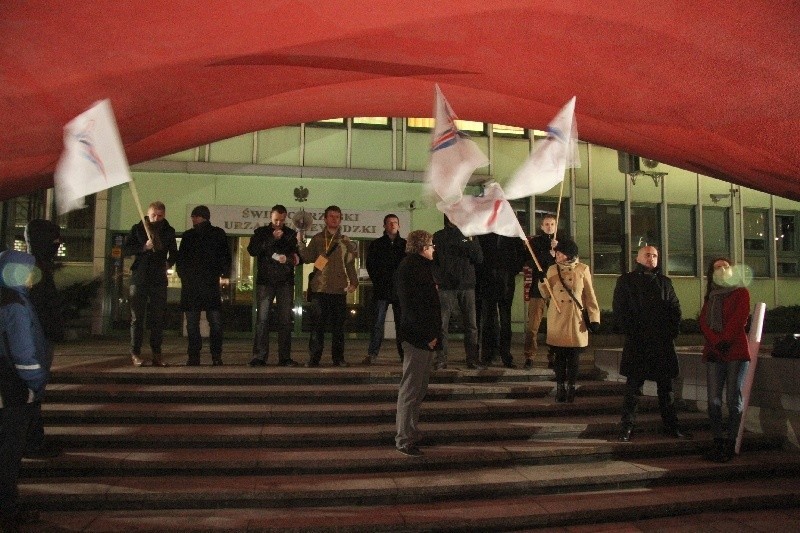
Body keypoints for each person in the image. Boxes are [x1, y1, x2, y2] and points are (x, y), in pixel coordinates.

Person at [613, 245, 688, 441]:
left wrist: (671, 332)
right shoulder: (626, 281)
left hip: (662, 343)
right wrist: (632, 332)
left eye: (655, 255)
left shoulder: (665, 282)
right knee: (633, 389)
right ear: (638, 258)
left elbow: (675, 308)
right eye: (647, 255)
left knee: (666, 390)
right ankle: (626, 428)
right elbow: (620, 310)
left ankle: (671, 426)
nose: (652, 258)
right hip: (638, 343)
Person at [0, 250, 49, 530]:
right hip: (14, 389)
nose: (33, 277)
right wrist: (37, 384)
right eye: (29, 270)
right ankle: (8, 511)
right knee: (9, 455)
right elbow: (25, 353)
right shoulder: (16, 304)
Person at [699, 258, 751, 462]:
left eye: (725, 266)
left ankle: (730, 443)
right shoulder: (711, 295)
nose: (722, 269)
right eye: (717, 267)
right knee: (713, 400)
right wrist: (715, 341)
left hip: (735, 351)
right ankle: (717, 441)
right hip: (714, 352)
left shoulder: (741, 292)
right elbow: (703, 321)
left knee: (733, 398)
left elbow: (740, 318)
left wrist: (723, 340)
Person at [395, 230, 440, 457]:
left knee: (418, 389)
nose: (434, 249)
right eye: (431, 245)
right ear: (422, 247)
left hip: (424, 338)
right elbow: (412, 308)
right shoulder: (410, 269)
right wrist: (427, 336)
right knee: (411, 390)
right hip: (416, 338)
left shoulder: (421, 267)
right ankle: (404, 439)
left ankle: (412, 432)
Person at [538, 239, 600, 402]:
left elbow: (589, 295)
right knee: (559, 356)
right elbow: (546, 294)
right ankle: (560, 387)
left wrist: (594, 318)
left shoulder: (582, 269)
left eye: (560, 253)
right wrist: (542, 281)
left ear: (568, 255)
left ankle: (571, 386)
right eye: (556, 253)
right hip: (557, 317)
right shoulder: (552, 269)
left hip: (575, 318)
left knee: (573, 357)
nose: (556, 255)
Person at [297, 205, 359, 367]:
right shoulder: (317, 239)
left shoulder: (345, 241)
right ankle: (314, 358)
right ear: (325, 219)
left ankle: (338, 358)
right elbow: (308, 258)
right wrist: (300, 244)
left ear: (340, 219)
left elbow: (350, 264)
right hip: (320, 289)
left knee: (338, 328)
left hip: (339, 289)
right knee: (317, 326)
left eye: (337, 216)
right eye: (331, 216)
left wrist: (354, 282)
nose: (334, 219)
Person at [23, 219, 64, 459]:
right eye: (54, 239)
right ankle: (33, 442)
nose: (58, 244)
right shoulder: (33, 270)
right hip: (34, 344)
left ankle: (34, 440)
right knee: (32, 394)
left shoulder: (36, 267)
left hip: (38, 341)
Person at [123, 201, 178, 367]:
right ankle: (135, 353)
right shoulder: (138, 228)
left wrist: (168, 264)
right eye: (154, 215)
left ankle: (157, 354)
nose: (156, 218)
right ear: (148, 213)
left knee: (157, 318)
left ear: (164, 215)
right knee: (137, 318)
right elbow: (126, 249)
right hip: (140, 276)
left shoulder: (168, 231)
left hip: (158, 278)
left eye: (160, 215)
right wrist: (143, 247)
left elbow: (174, 253)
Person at [175, 205, 232, 366]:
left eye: (196, 216)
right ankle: (211, 355)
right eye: (193, 216)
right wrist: (222, 273)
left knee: (200, 322)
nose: (193, 219)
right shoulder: (212, 234)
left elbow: (181, 260)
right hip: (204, 284)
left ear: (203, 217)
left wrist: (185, 276)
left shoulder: (193, 236)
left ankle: (198, 355)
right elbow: (225, 258)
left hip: (197, 285)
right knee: (210, 322)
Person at [248, 204, 301, 367]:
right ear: (270, 217)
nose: (278, 223)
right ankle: (260, 356)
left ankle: (284, 357)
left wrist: (290, 259)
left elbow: (298, 257)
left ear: (285, 218)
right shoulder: (261, 233)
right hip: (265, 281)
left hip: (285, 281)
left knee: (285, 321)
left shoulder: (291, 234)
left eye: (282, 220)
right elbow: (253, 250)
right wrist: (272, 239)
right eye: (276, 219)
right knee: (262, 319)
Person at [432, 215, 484, 370]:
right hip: (446, 286)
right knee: (442, 324)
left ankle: (472, 359)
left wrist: (471, 242)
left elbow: (479, 258)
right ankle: (441, 359)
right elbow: (434, 261)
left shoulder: (469, 235)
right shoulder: (439, 236)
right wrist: (437, 279)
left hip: (467, 285)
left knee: (471, 325)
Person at [476, 233, 527, 368]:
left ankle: (506, 356)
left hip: (506, 281)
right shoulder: (483, 233)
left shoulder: (511, 234)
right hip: (487, 280)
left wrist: (513, 270)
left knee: (505, 320)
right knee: (487, 319)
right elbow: (478, 255)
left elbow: (522, 254)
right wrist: (482, 272)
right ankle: (487, 355)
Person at [364, 214, 406, 365]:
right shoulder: (377, 244)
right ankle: (372, 353)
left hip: (400, 292)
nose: (393, 225)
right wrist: (378, 281)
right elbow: (370, 265)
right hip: (381, 290)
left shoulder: (405, 245)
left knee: (401, 324)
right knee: (377, 324)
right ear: (385, 226)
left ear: (399, 225)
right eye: (390, 223)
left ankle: (404, 355)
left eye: (395, 222)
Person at [524, 214, 560, 369]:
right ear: (541, 226)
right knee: (533, 326)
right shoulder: (535, 242)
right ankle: (530, 356)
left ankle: (553, 356)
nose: (549, 227)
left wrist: (557, 251)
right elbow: (532, 262)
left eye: (552, 224)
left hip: (556, 289)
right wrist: (548, 254)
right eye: (546, 224)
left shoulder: (561, 242)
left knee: (555, 326)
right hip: (538, 287)